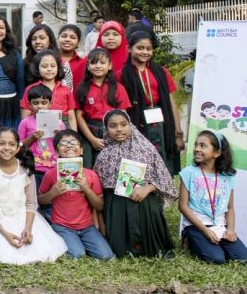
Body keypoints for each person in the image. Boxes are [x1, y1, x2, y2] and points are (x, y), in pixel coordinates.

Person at [0, 127, 66, 264]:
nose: (7, 148)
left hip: (23, 217)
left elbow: (31, 203)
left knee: (37, 249)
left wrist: (28, 228)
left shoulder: (25, 168)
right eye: (1, 144)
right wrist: (5, 234)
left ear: (18, 148)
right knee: (3, 253)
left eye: (12, 144)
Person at [93, 110, 176, 258]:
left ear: (130, 125)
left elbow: (165, 179)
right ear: (106, 129)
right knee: (119, 251)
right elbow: (99, 191)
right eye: (113, 126)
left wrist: (148, 188)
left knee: (152, 251)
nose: (119, 129)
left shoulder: (146, 148)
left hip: (143, 202)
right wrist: (101, 223)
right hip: (116, 205)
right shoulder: (103, 156)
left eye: (123, 124)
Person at [38, 130, 114, 260]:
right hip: (62, 226)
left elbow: (100, 206)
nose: (69, 145)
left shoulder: (90, 175)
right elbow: (40, 200)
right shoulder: (51, 174)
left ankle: (79, 243)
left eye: (74, 142)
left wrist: (87, 189)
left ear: (81, 150)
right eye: (63, 143)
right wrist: (52, 193)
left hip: (87, 227)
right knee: (77, 255)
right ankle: (69, 243)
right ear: (56, 152)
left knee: (106, 256)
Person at [121, 31, 184, 176]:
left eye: (148, 49)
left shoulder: (161, 72)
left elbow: (171, 103)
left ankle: (162, 196)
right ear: (129, 49)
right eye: (140, 48)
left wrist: (178, 134)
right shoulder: (122, 74)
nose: (145, 52)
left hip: (162, 124)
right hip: (137, 122)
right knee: (140, 164)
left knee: (163, 163)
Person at [178, 131, 247, 263]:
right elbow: (183, 206)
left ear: (217, 153)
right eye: (196, 145)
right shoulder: (189, 173)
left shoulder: (227, 177)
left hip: (220, 226)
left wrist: (230, 230)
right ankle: (189, 240)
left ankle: (216, 244)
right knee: (217, 259)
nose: (197, 149)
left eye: (203, 146)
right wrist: (206, 231)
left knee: (243, 258)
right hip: (196, 226)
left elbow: (230, 208)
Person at [73, 48, 132, 168]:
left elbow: (123, 115)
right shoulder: (81, 89)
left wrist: (116, 134)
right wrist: (92, 139)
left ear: (110, 65)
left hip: (114, 131)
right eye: (94, 63)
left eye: (102, 62)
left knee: (113, 166)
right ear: (88, 66)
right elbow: (79, 116)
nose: (98, 66)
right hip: (88, 132)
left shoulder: (118, 88)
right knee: (89, 165)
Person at [18, 85, 66, 188]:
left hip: (54, 166)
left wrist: (60, 135)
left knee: (51, 196)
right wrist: (32, 138)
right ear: (30, 105)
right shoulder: (25, 123)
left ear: (50, 104)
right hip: (34, 167)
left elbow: (64, 145)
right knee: (36, 196)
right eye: (35, 103)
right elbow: (19, 146)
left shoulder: (59, 123)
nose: (39, 106)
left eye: (44, 103)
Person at [20, 50, 77, 131]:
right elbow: (25, 118)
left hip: (63, 127)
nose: (49, 69)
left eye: (53, 66)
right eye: (44, 66)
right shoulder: (30, 89)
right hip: (37, 127)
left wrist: (74, 135)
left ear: (58, 67)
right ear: (37, 68)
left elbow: (71, 117)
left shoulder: (66, 90)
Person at [24, 24, 74, 90]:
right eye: (34, 39)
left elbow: (69, 90)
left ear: (50, 41)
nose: (37, 42)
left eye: (42, 38)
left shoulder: (62, 64)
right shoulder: (25, 63)